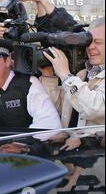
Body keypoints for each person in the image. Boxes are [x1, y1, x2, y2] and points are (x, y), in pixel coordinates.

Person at [0, 38, 61, 141]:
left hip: (29, 152)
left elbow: (50, 122)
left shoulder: (28, 83)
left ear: (8, 60)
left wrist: (22, 144)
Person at [44, 18, 105, 149]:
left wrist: (65, 75)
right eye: (88, 41)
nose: (90, 47)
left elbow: (96, 109)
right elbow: (56, 111)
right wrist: (48, 76)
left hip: (97, 160)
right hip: (69, 154)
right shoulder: (81, 75)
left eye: (98, 42)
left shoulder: (71, 77)